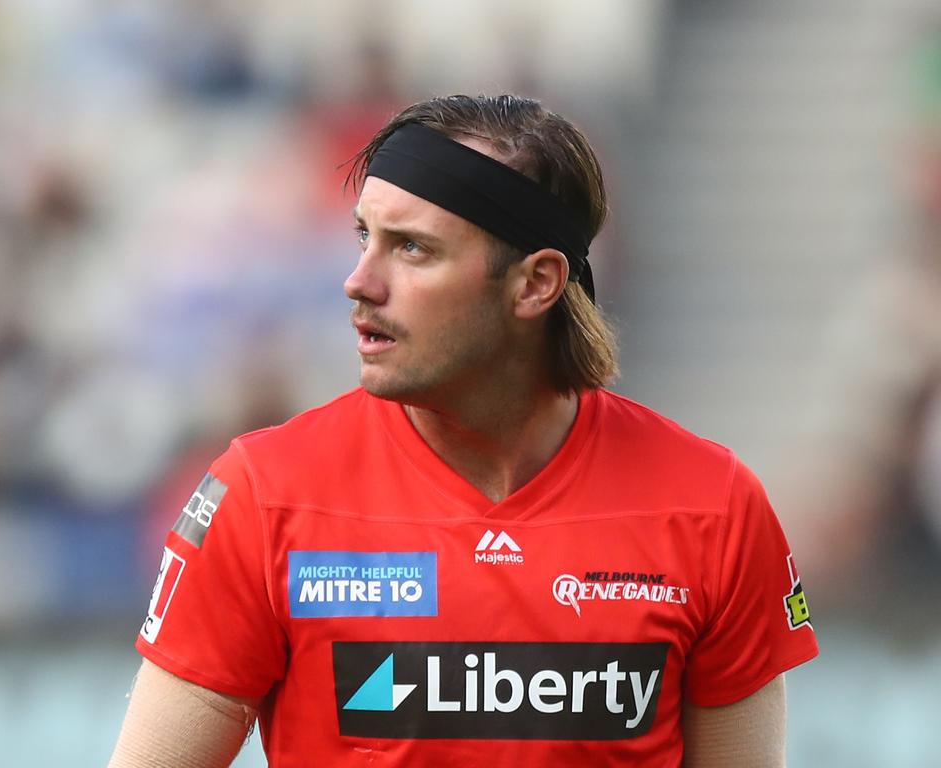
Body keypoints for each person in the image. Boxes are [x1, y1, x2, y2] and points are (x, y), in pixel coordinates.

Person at [108, 94, 818, 768]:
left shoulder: (712, 506)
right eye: (366, 237)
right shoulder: (263, 496)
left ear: (537, 283)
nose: (358, 280)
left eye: (412, 249)